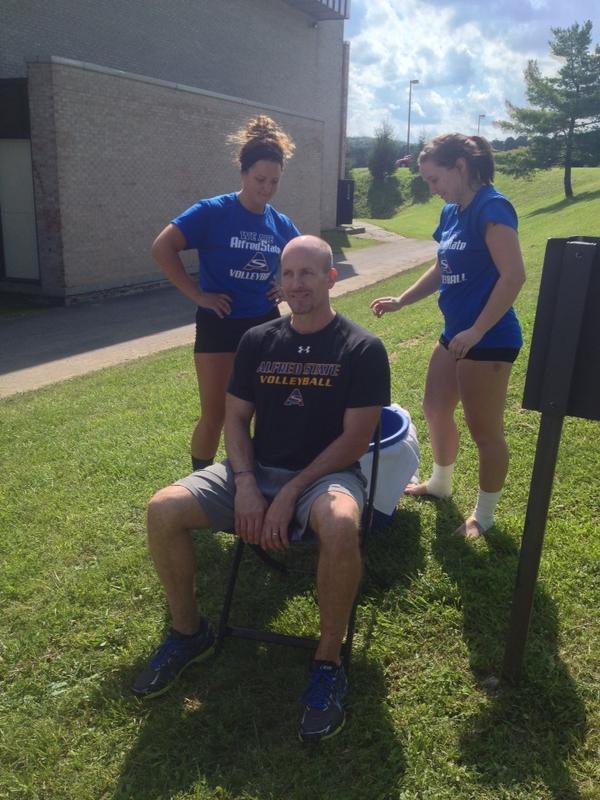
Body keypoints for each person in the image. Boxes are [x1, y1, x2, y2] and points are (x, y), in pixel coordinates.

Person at [133, 236, 391, 743]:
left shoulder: (362, 347)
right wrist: (247, 483)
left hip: (325, 476)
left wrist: (293, 491)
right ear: (279, 280)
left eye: (309, 274)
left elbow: (356, 439)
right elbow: (234, 418)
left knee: (341, 525)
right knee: (163, 508)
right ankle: (189, 634)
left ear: (331, 278)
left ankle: (328, 660)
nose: (297, 284)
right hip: (255, 469)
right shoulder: (258, 340)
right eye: (289, 274)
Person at [370, 134, 526, 539]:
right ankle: (440, 483)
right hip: (454, 334)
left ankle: (484, 517)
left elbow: (513, 276)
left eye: (434, 179)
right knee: (435, 407)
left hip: (488, 338)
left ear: (460, 167)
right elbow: (442, 267)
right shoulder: (453, 213)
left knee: (484, 430)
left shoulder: (492, 207)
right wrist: (403, 300)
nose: (432, 189)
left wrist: (477, 330)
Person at [151, 115, 300, 471]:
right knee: (215, 414)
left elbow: (304, 255)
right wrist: (198, 295)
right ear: (243, 173)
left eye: (274, 182)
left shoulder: (279, 223)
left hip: (264, 325)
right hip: (219, 322)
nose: (266, 188)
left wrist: (285, 284)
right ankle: (199, 485)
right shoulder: (212, 212)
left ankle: (255, 477)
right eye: (259, 179)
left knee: (261, 409)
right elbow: (162, 247)